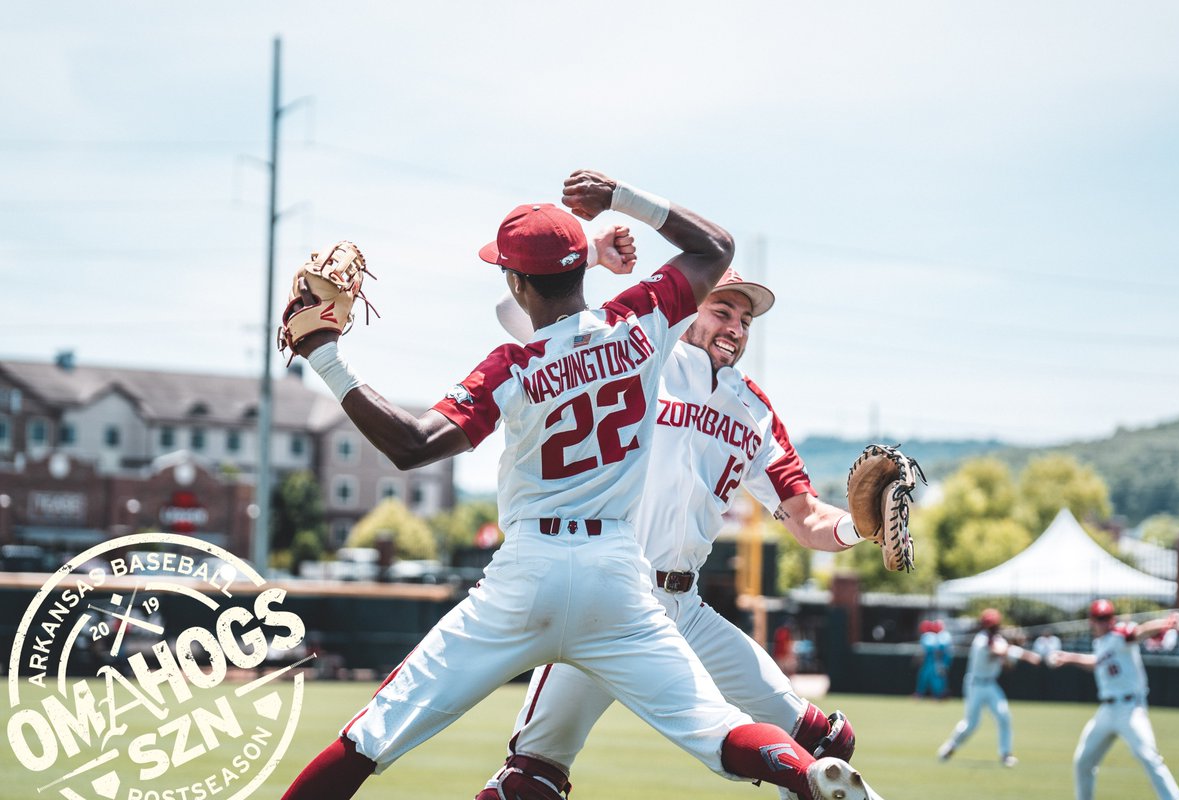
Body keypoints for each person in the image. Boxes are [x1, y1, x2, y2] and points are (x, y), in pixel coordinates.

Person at [278, 169, 886, 800]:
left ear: (516, 281)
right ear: (584, 272)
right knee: (717, 728)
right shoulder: (642, 327)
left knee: (374, 734)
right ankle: (801, 775)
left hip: (529, 571)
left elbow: (411, 443)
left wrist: (324, 351)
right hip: (619, 578)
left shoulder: (512, 364)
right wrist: (619, 201)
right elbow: (714, 248)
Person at [481, 264, 898, 800]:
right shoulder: (638, 354)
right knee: (530, 779)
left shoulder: (752, 409)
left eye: (746, 319)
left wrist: (861, 527)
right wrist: (595, 261)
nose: (736, 327)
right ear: (689, 304)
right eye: (722, 310)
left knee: (823, 743)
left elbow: (805, 516)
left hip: (686, 607)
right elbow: (510, 312)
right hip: (608, 596)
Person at [1049, 599, 1179, 800]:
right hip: (1107, 711)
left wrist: (1167, 623)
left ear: (1112, 619)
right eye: (1099, 618)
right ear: (1092, 621)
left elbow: (1140, 631)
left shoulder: (1120, 633)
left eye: (1105, 618)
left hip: (1130, 709)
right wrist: (1068, 657)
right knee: (1083, 761)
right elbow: (1097, 662)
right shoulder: (1101, 643)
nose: (1103, 622)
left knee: (1148, 756)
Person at [937, 608, 1040, 767]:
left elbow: (1008, 665)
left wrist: (1023, 653)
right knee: (971, 724)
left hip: (990, 684)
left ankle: (1006, 754)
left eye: (994, 625)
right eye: (990, 625)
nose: (993, 628)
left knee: (1004, 716)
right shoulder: (981, 640)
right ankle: (950, 746)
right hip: (975, 685)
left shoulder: (999, 639)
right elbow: (998, 651)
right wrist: (1021, 650)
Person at [913, 620, 945, 699]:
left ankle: (936, 695)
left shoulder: (927, 635)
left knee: (931, 678)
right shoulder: (935, 635)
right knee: (929, 678)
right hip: (933, 660)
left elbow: (930, 648)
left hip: (931, 660)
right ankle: (934, 695)